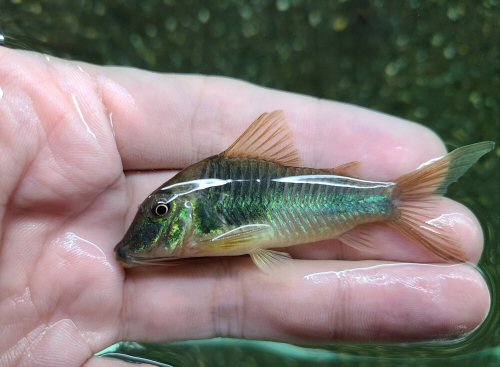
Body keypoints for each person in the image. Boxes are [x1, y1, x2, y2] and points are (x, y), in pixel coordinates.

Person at [0, 47, 490, 367]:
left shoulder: (203, 215)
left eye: (161, 212)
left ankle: (402, 202)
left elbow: (245, 240)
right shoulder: (193, 208)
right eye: (160, 212)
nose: (156, 218)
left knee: (393, 205)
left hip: (338, 202)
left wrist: (388, 201)